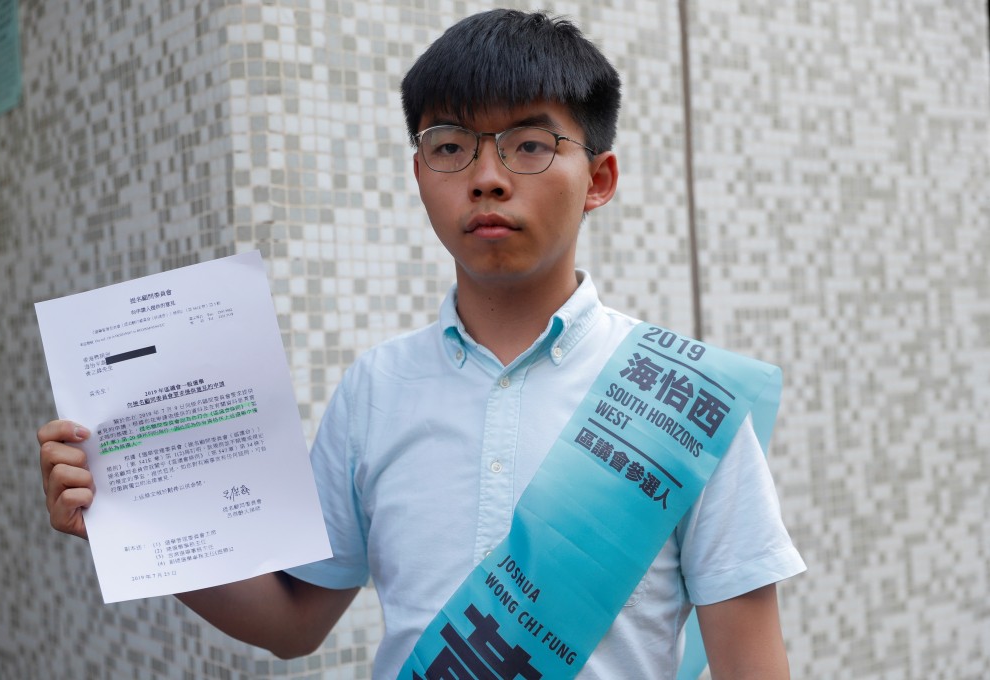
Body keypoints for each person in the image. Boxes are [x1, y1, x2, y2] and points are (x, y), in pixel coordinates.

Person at [39, 9, 805, 679]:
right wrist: (130, 511)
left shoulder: (686, 405)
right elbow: (291, 621)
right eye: (451, 147)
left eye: (530, 145)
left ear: (599, 178)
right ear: (418, 173)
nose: (487, 178)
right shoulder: (374, 389)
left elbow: (751, 668)